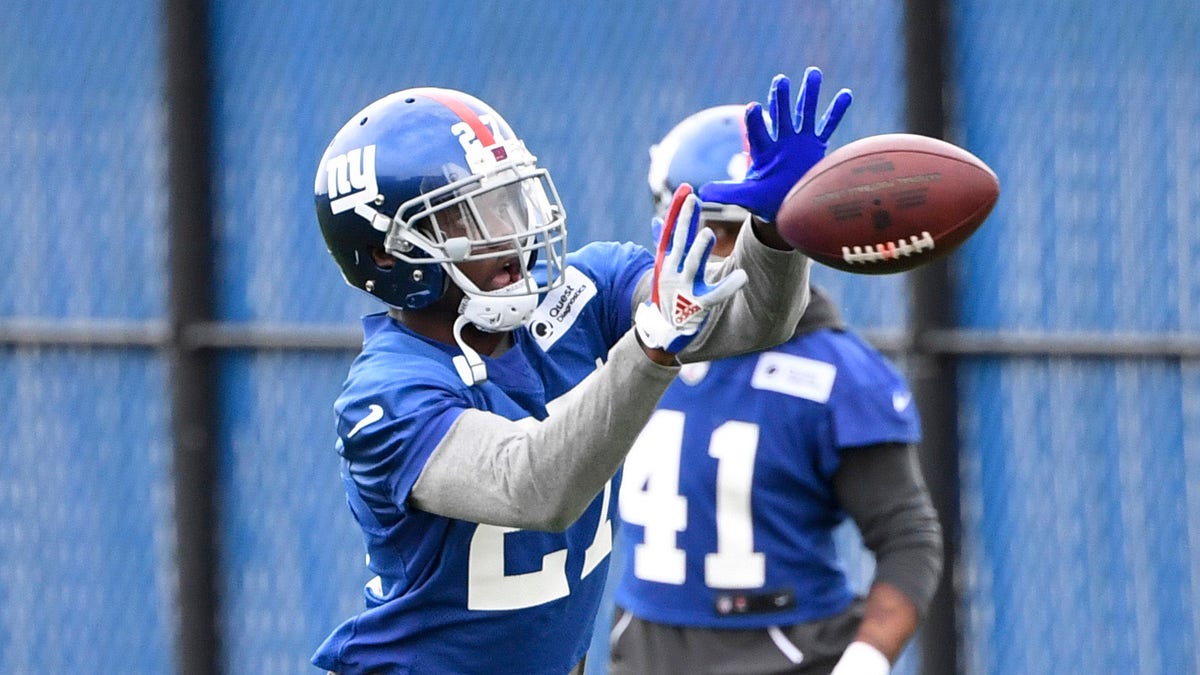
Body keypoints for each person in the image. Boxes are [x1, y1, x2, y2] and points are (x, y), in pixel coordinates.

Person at [309, 68, 853, 675]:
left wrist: (776, 237)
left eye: (508, 202)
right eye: (472, 217)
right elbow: (533, 485)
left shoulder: (585, 291)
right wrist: (649, 347)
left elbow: (754, 323)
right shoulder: (387, 394)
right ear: (391, 253)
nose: (512, 236)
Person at [607, 102, 944, 675]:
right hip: (644, 654)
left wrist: (865, 660)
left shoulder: (835, 375)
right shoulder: (627, 340)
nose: (729, 253)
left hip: (788, 655)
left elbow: (908, 538)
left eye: (749, 233)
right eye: (710, 230)